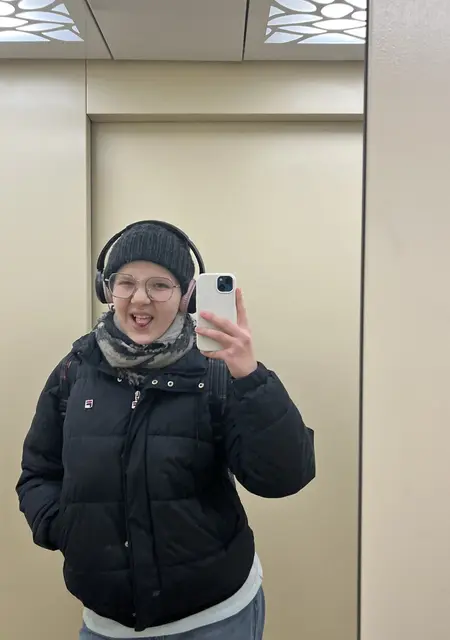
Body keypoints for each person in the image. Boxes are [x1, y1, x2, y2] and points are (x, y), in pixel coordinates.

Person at [16, 221, 315, 640]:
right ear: (107, 290)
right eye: (126, 282)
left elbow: (284, 477)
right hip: (106, 626)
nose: (140, 298)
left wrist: (250, 378)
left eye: (160, 285)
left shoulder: (216, 372)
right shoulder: (74, 371)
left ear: (186, 297)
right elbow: (38, 473)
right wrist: (65, 528)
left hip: (214, 620)